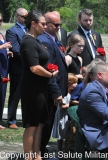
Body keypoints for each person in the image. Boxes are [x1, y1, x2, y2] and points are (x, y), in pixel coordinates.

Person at [20, 10, 58, 160]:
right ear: (33, 24)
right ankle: (29, 157)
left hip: (40, 88)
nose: (45, 26)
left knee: (40, 123)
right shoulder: (28, 41)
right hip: (32, 89)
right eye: (43, 23)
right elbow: (34, 68)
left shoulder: (35, 40)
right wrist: (50, 74)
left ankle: (37, 156)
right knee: (32, 125)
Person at [37, 11, 68, 155]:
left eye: (60, 24)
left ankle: (41, 150)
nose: (58, 27)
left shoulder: (54, 40)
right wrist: (56, 92)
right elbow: (49, 70)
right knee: (46, 123)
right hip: (49, 92)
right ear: (47, 24)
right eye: (55, 25)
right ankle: (40, 151)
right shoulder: (45, 41)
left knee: (48, 123)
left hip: (56, 90)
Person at [6, 7, 28, 129]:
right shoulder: (12, 31)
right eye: (23, 17)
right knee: (15, 95)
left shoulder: (30, 29)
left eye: (26, 16)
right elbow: (15, 49)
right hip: (18, 68)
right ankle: (11, 120)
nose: (25, 19)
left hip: (29, 68)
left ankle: (26, 119)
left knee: (27, 95)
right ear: (17, 17)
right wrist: (31, 57)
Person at [51, 73, 78, 153]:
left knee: (68, 135)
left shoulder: (72, 93)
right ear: (68, 83)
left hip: (68, 116)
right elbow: (62, 106)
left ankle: (66, 151)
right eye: (74, 83)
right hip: (63, 116)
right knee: (61, 135)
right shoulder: (64, 93)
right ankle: (59, 151)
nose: (76, 85)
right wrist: (71, 104)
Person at [0, 13, 13, 130]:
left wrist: (6, 52)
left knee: (2, 94)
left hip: (4, 68)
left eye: (1, 20)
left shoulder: (1, 34)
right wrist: (2, 47)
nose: (0, 22)